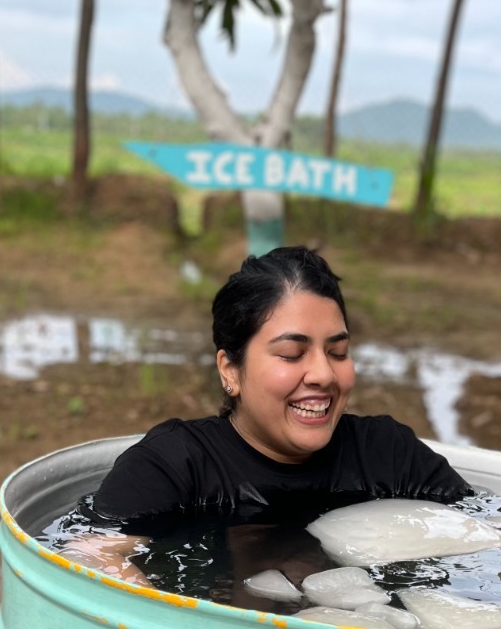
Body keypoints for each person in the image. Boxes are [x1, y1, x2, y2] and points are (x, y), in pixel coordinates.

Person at [64, 246, 472, 584]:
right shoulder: (176, 464)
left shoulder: (386, 454)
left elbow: (494, 522)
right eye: (292, 354)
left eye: (338, 352)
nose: (324, 374)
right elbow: (88, 551)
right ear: (230, 370)